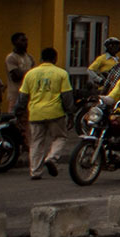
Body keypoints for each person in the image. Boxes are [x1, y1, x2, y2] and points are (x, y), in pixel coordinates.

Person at [18, 47, 73, 178]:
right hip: (55, 112)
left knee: (36, 142)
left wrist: (18, 112)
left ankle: (35, 171)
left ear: (41, 59)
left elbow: (23, 96)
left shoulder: (30, 74)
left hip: (35, 112)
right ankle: (52, 158)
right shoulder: (61, 73)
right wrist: (70, 113)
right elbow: (67, 96)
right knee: (60, 137)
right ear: (55, 59)